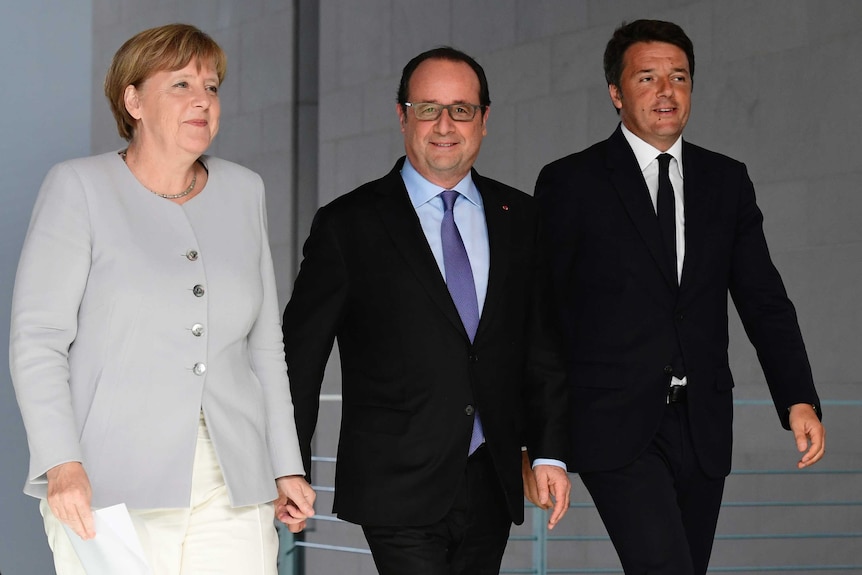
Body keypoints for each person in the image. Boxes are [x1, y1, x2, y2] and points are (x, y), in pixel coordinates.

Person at [9, 24, 315, 575]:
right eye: (181, 85)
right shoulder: (78, 187)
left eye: (213, 86)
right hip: (109, 485)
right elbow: (39, 341)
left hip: (234, 484)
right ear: (133, 100)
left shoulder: (245, 191)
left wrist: (284, 465)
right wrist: (61, 463)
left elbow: (265, 347)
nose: (203, 100)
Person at [534, 19, 826, 575]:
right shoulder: (571, 183)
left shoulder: (727, 180)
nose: (666, 91)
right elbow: (542, 317)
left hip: (704, 425)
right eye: (647, 78)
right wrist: (540, 441)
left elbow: (764, 298)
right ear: (616, 94)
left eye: (679, 77)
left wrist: (798, 398)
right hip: (614, 425)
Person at [282, 46, 570, 575]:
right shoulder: (349, 225)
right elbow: (300, 359)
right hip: (395, 479)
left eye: (461, 109)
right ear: (402, 116)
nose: (444, 124)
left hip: (493, 475)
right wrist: (287, 466)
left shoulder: (522, 218)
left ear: (484, 120)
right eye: (427, 108)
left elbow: (542, 346)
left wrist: (548, 451)